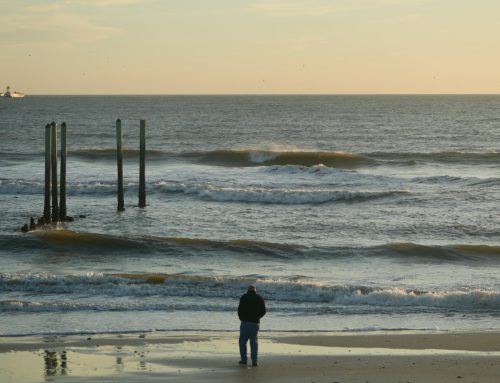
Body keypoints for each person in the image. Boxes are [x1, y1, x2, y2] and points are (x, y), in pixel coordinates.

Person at [238, 285, 266, 367]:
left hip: (245, 322)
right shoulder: (259, 298)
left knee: (242, 341)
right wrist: (258, 317)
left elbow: (239, 310)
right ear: (255, 290)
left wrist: (242, 318)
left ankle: (244, 360)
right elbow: (264, 311)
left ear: (248, 290)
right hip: (255, 323)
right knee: (254, 342)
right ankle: (254, 361)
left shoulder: (244, 297)